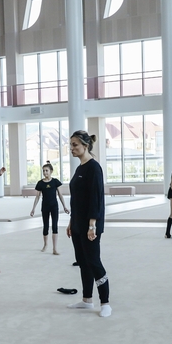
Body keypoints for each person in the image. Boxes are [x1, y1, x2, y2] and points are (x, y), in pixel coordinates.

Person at [66, 130, 111, 318]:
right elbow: (76, 199)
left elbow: (96, 198)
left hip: (90, 225)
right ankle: (86, 300)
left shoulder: (94, 168)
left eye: (75, 145)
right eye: (70, 145)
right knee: (83, 262)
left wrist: (92, 225)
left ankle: (105, 302)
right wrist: (71, 221)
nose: (72, 149)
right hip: (77, 224)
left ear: (85, 145)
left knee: (94, 262)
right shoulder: (79, 168)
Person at [30, 161, 69, 254]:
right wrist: (33, 208)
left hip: (54, 206)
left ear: (51, 171)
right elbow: (37, 197)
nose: (45, 172)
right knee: (46, 226)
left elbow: (60, 195)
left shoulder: (55, 182)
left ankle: (55, 248)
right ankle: (45, 244)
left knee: (55, 226)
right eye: (43, 171)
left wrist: (64, 206)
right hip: (45, 207)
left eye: (46, 170)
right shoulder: (40, 183)